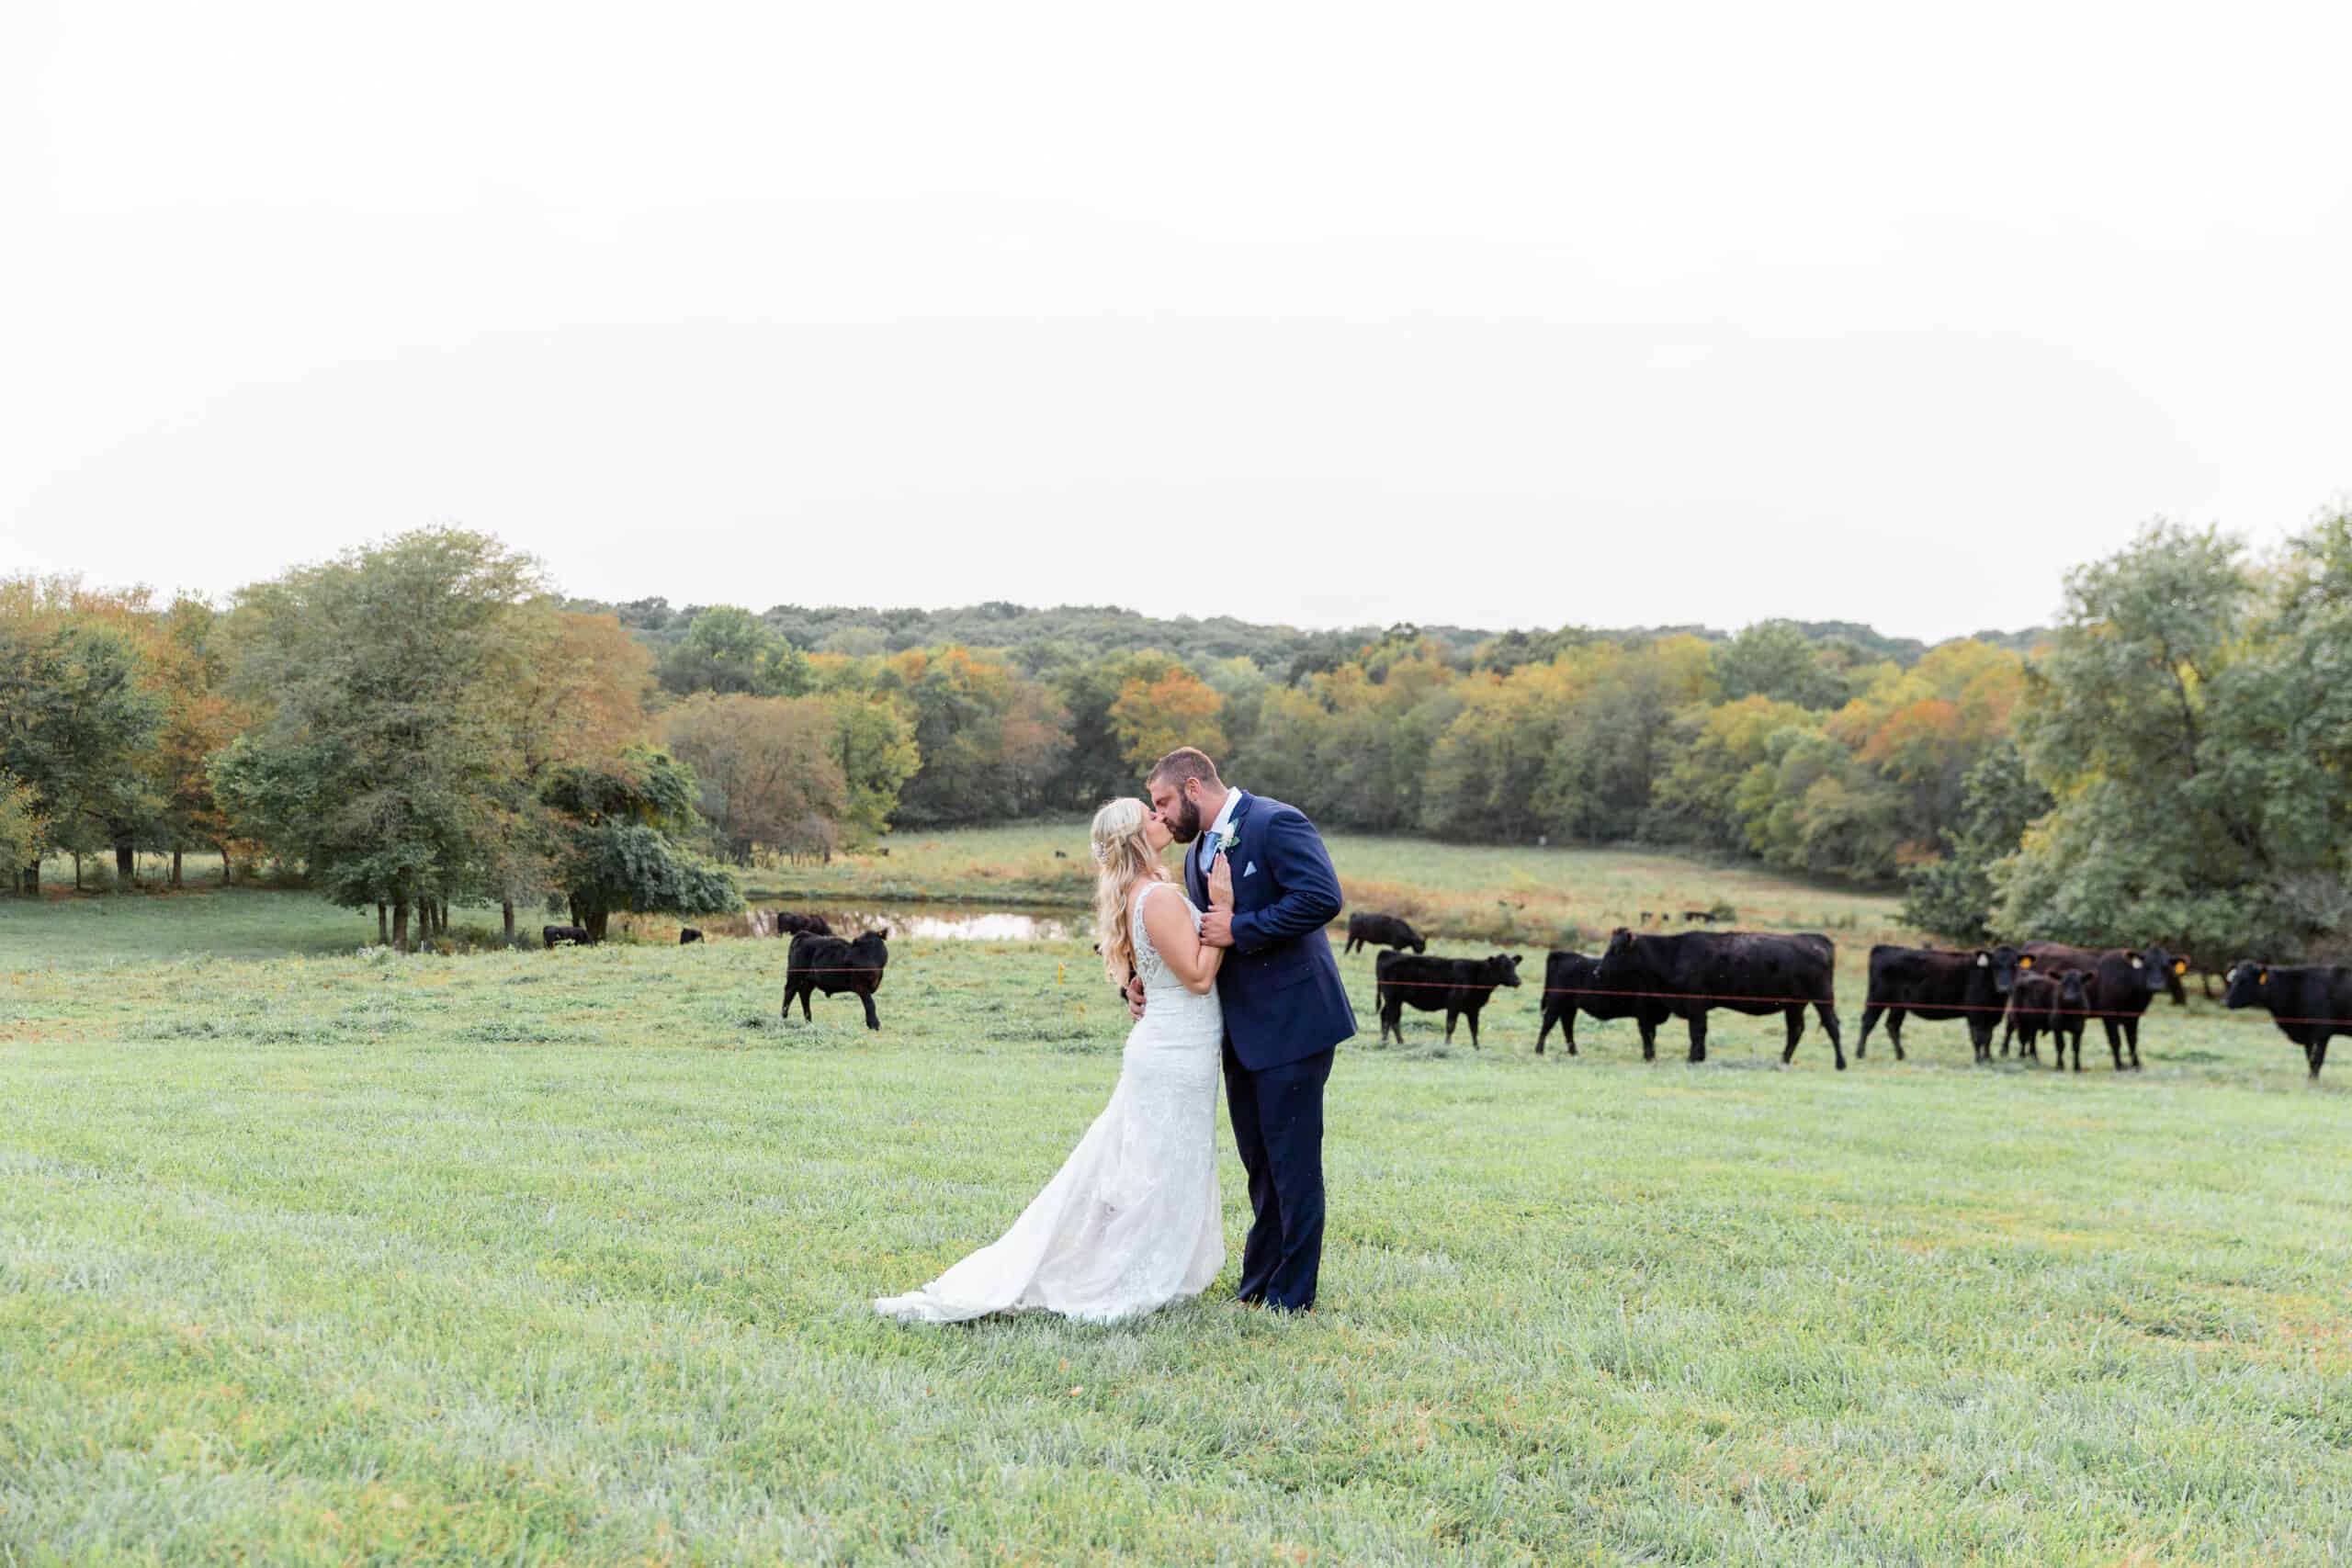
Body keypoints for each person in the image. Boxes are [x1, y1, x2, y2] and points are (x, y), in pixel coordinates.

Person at [874, 796, 1235, 1325]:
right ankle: (1126, 1270)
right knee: (1154, 1169)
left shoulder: (1143, 893)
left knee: (1156, 1165)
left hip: (1177, 1047)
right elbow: (1200, 977)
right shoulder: (1155, 897)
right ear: (1136, 837)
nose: (1162, 818)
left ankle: (1156, 1262)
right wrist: (1222, 912)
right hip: (1175, 1053)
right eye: (1150, 816)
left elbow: (1160, 974)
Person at [1141, 747, 1353, 1313]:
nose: (1158, 816)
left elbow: (1321, 898)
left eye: (1162, 802)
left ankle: (1293, 1295)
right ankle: (1258, 1284)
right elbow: (1197, 935)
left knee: (1294, 1164)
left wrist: (1244, 926)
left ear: (1192, 787)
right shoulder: (1197, 855)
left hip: (1294, 1023)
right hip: (1238, 1031)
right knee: (1259, 1163)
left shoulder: (1274, 822)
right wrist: (1146, 981)